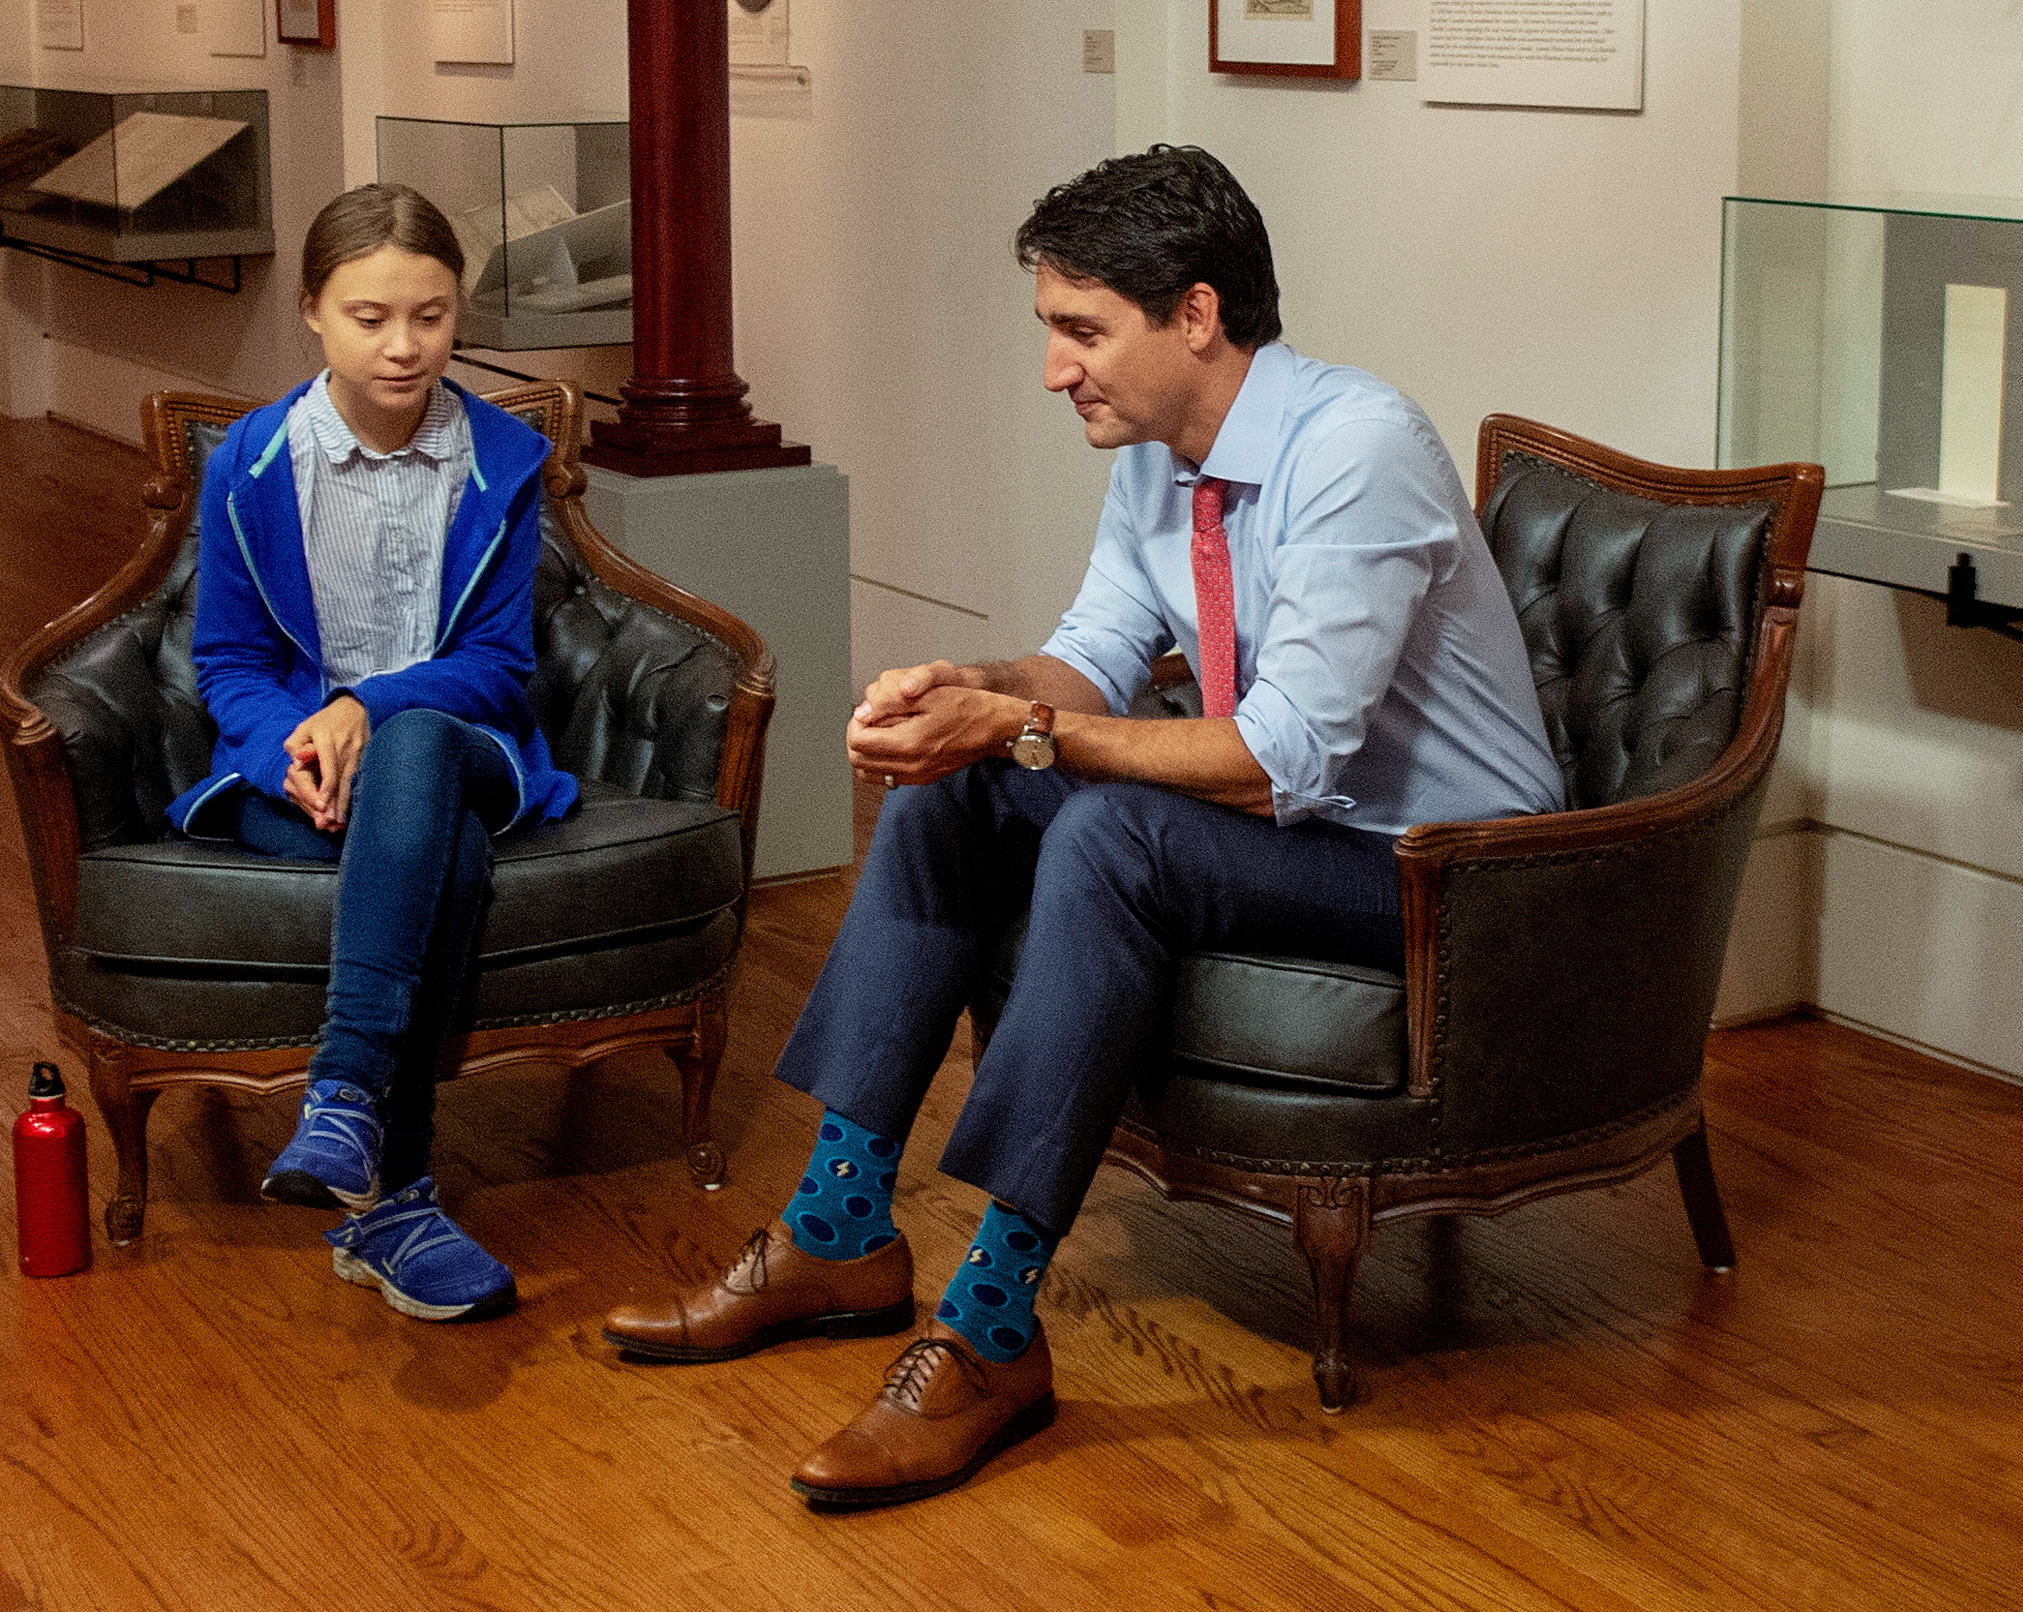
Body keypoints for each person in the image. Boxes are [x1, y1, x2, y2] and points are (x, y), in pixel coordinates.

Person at [603, 145, 1563, 1506]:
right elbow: (1094, 662)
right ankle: (839, 1228)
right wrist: (970, 692)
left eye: (1082, 331)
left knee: (1113, 833)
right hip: (1311, 830)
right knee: (959, 787)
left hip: (1447, 872)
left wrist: (1023, 725)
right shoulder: (1167, 456)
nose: (1056, 369)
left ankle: (993, 1328)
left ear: (1196, 314)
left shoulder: (1357, 449)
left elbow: (1280, 758)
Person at [170, 182, 577, 1322]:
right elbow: (229, 664)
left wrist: (367, 705)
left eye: (432, 316)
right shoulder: (250, 462)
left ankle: (343, 1088)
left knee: (418, 750)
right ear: (311, 310)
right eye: (370, 316)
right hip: (299, 773)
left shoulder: (502, 456)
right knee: (440, 846)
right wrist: (293, 748)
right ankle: (393, 1199)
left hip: (467, 745)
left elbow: (496, 662)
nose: (405, 345)